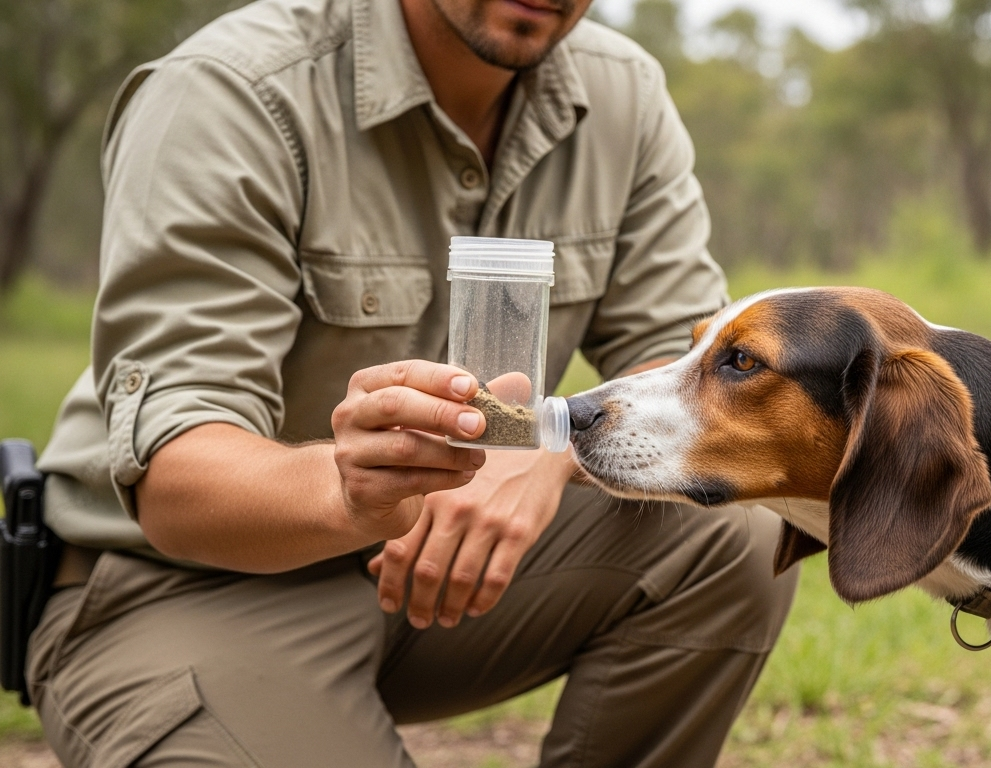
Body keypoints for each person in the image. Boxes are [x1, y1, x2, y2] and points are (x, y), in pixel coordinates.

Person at [27, 0, 798, 765]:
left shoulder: (622, 94)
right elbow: (174, 482)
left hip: (434, 580)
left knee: (730, 522)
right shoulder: (231, 90)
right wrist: (349, 489)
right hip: (178, 587)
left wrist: (544, 452)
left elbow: (685, 370)